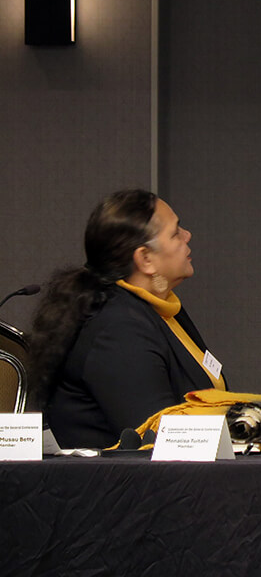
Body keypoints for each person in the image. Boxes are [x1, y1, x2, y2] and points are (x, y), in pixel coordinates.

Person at [27, 189, 227, 448]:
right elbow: (157, 437)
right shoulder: (118, 328)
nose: (188, 236)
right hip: (124, 484)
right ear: (145, 259)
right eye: (176, 232)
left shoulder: (161, 309)